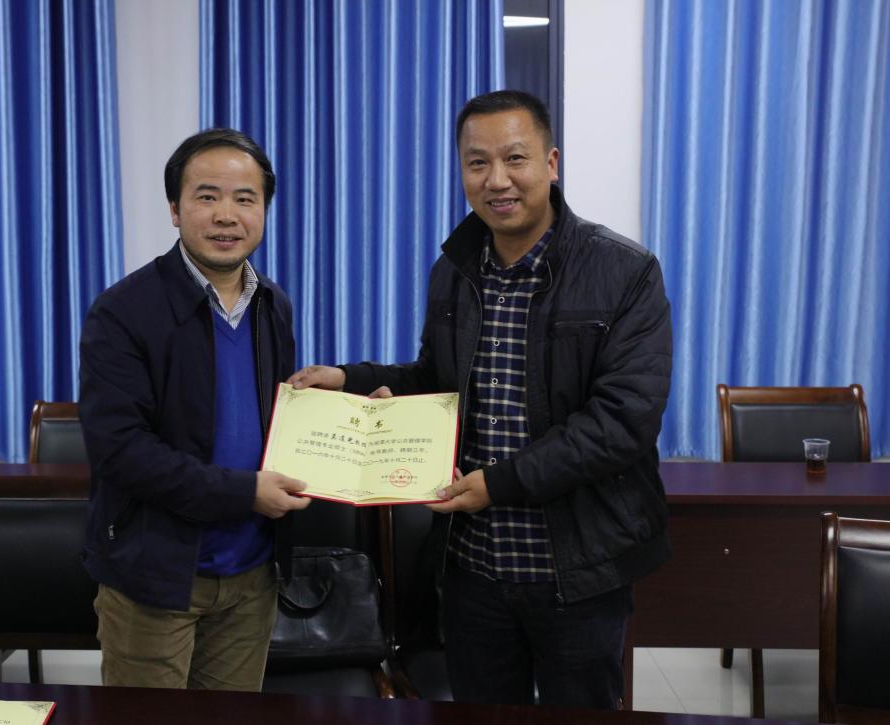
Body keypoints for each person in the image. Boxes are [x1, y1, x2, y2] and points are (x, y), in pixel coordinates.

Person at [288, 90, 672, 709]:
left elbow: (623, 422)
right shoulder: (455, 269)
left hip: (578, 568)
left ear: (551, 163)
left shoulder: (624, 271)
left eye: (515, 158)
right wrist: (349, 379)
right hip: (472, 568)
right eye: (477, 162)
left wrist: (500, 483)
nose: (497, 180)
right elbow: (437, 379)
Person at [79, 128, 310, 691]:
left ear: (264, 211)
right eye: (207, 196)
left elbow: (274, 421)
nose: (226, 215)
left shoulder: (273, 304)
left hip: (252, 574)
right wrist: (243, 492)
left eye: (245, 198)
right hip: (156, 577)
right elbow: (121, 451)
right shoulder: (123, 311)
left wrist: (356, 425)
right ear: (175, 210)